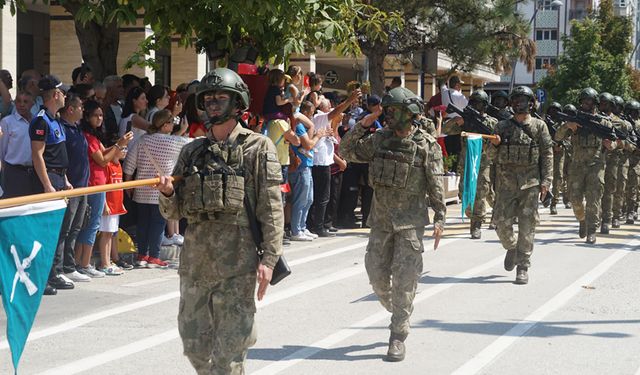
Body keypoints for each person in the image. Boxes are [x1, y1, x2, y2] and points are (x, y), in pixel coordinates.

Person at [155, 68, 284, 374]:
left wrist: (269, 258)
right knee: (194, 345)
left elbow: (272, 207)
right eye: (208, 98)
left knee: (229, 353)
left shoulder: (257, 147)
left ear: (238, 103)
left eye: (220, 97)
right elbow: (174, 213)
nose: (212, 104)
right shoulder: (191, 152)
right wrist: (169, 192)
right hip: (196, 265)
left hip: (237, 267)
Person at [340, 87, 446, 362]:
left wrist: (440, 218)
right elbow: (347, 150)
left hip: (410, 224)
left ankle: (398, 333)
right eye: (386, 111)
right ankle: (401, 309)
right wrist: (365, 121)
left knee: (404, 280)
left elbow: (436, 183)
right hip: (382, 221)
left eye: (393, 110)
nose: (388, 115)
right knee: (376, 275)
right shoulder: (379, 139)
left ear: (410, 113)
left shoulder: (426, 145)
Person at [487, 86, 553, 285]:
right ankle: (512, 247)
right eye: (515, 100)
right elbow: (490, 157)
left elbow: (547, 154)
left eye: (523, 100)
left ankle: (523, 265)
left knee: (527, 225)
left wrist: (546, 182)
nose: (518, 104)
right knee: (500, 223)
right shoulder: (501, 127)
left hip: (530, 185)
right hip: (506, 185)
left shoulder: (539, 127)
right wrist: (495, 145)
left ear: (531, 103)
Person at [124, 109, 191, 268]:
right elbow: (193, 142)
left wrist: (128, 186)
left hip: (140, 190)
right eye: (172, 122)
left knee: (143, 224)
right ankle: (154, 257)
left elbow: (129, 165)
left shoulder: (143, 140)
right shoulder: (173, 142)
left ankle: (142, 256)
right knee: (157, 225)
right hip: (161, 191)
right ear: (165, 125)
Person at [76, 100, 132, 277]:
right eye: (95, 115)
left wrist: (118, 146)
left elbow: (105, 152)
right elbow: (102, 160)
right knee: (91, 225)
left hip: (99, 184)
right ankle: (84, 263)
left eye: (101, 115)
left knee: (91, 225)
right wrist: (118, 144)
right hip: (94, 184)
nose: (99, 118)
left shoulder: (94, 136)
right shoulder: (88, 136)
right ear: (87, 116)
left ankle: (82, 262)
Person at [29, 75, 72, 295]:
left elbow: (57, 154)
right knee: (45, 230)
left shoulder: (55, 120)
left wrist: (64, 180)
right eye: (62, 92)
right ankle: (41, 277)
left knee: (58, 230)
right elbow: (38, 155)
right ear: (55, 95)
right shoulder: (41, 120)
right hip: (48, 180)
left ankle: (53, 272)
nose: (65, 96)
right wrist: (47, 185)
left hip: (59, 178)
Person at [556, 88, 614, 244]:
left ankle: (591, 230)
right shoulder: (575, 120)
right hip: (577, 166)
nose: (586, 104)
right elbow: (557, 136)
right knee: (575, 199)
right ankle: (581, 219)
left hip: (596, 166)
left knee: (593, 199)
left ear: (595, 102)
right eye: (583, 101)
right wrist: (568, 126)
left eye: (589, 101)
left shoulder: (604, 122)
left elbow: (614, 141)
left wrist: (610, 144)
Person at [443, 89, 498, 239]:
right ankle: (496, 210)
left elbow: (499, 140)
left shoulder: (492, 122)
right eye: (474, 103)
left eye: (479, 103)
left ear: (485, 105)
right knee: (464, 193)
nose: (476, 106)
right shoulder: (465, 120)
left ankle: (476, 224)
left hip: (483, 163)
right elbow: (445, 130)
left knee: (480, 193)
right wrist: (457, 121)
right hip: (466, 163)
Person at [308, 91, 361, 237]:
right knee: (321, 197)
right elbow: (337, 111)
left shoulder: (325, 122)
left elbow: (337, 115)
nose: (332, 109)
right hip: (320, 163)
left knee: (324, 197)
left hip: (324, 162)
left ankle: (319, 224)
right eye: (329, 106)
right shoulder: (319, 117)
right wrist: (350, 100)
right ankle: (318, 226)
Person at [51, 93, 91, 284]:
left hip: (83, 186)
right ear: (71, 109)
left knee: (76, 227)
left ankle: (69, 266)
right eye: (80, 107)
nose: (83, 110)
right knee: (64, 229)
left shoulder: (76, 128)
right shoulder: (62, 128)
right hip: (70, 186)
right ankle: (58, 268)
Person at [338, 95, 382, 228]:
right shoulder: (366, 117)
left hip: (368, 160)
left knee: (369, 191)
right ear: (371, 105)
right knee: (352, 190)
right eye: (376, 105)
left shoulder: (376, 117)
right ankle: (347, 219)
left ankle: (367, 219)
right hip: (358, 159)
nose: (379, 107)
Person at [597, 93, 630, 234]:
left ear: (611, 105)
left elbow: (627, 143)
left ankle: (609, 218)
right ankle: (595, 218)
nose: (602, 106)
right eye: (601, 103)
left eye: (605, 104)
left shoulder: (620, 123)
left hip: (613, 161)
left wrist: (614, 145)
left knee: (611, 190)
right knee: (597, 190)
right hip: (597, 159)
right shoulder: (595, 119)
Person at [0, 91, 36, 198]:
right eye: (19, 101)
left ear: (32, 104)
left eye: (25, 102)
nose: (22, 104)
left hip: (34, 172)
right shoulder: (7, 122)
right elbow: (2, 149)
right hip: (14, 172)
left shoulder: (37, 121)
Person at [546, 101, 565, 215]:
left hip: (559, 153)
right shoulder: (545, 123)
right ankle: (545, 198)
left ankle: (554, 203)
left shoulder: (563, 125)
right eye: (551, 110)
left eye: (556, 111)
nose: (553, 113)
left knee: (558, 177)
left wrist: (560, 145)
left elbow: (567, 140)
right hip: (547, 152)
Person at [625, 100, 640, 223]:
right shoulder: (625, 124)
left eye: (634, 112)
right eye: (630, 111)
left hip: (637, 159)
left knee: (634, 186)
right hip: (624, 158)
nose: (632, 114)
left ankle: (633, 209)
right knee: (625, 186)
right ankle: (626, 210)